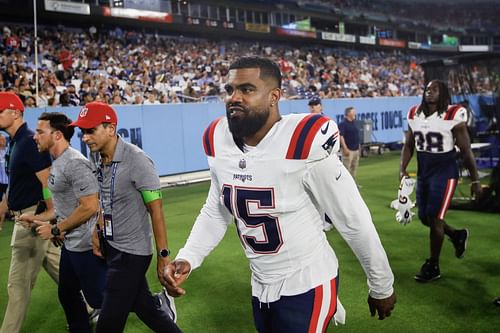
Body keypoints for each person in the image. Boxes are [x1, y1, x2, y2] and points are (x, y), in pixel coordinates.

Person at [164, 57, 396, 333]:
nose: (233, 98)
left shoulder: (303, 141)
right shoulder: (217, 138)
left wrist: (381, 284)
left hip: (308, 281)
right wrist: (189, 255)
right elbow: (217, 208)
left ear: (274, 96)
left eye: (247, 89)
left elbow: (352, 218)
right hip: (261, 284)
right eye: (229, 90)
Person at [70, 102, 181, 333]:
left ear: (110, 128)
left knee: (108, 325)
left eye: (91, 130)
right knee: (146, 308)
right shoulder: (98, 157)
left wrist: (163, 256)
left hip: (132, 254)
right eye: (83, 132)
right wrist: (97, 229)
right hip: (112, 246)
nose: (86, 137)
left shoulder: (137, 160)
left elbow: (156, 210)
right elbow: (105, 198)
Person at [18, 112, 107, 332]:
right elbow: (61, 209)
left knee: (101, 299)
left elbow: (90, 206)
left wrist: (57, 228)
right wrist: (37, 218)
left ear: (57, 135)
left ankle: (153, 305)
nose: (35, 136)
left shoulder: (74, 163)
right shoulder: (57, 162)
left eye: (40, 132)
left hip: (87, 244)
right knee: (67, 292)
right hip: (71, 243)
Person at [400, 79, 482, 282]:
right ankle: (456, 235)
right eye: (427, 89)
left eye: (435, 89)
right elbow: (409, 145)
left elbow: (465, 150)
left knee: (436, 218)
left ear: (443, 93)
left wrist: (475, 180)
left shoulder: (453, 113)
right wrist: (402, 169)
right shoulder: (414, 113)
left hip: (445, 172)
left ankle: (433, 265)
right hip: (424, 171)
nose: (429, 92)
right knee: (425, 217)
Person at [0, 92, 60, 333]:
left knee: (17, 285)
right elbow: (17, 180)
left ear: (15, 113)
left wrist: (50, 216)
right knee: (63, 270)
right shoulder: (16, 142)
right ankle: (92, 308)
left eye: (0, 111)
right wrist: (4, 206)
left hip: (32, 218)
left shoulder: (27, 141)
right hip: (26, 214)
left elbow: (48, 182)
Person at [307, 96, 334, 232]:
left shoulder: (327, 122)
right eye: (311, 105)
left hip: (326, 162)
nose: (313, 107)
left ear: (321, 106)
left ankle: (329, 221)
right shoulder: (306, 122)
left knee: (327, 195)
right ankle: (319, 222)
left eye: (315, 104)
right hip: (311, 164)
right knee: (314, 196)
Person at [339, 106, 361, 180]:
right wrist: (345, 148)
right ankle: (345, 184)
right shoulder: (343, 124)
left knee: (354, 168)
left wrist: (359, 146)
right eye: (353, 112)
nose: (355, 113)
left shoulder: (354, 123)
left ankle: (353, 184)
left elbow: (356, 135)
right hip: (349, 149)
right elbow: (341, 136)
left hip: (356, 149)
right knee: (346, 168)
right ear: (348, 113)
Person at [0, 133, 8, 204]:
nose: (4, 140)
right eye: (2, 139)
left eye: (4, 139)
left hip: (9, 183)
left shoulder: (9, 151)